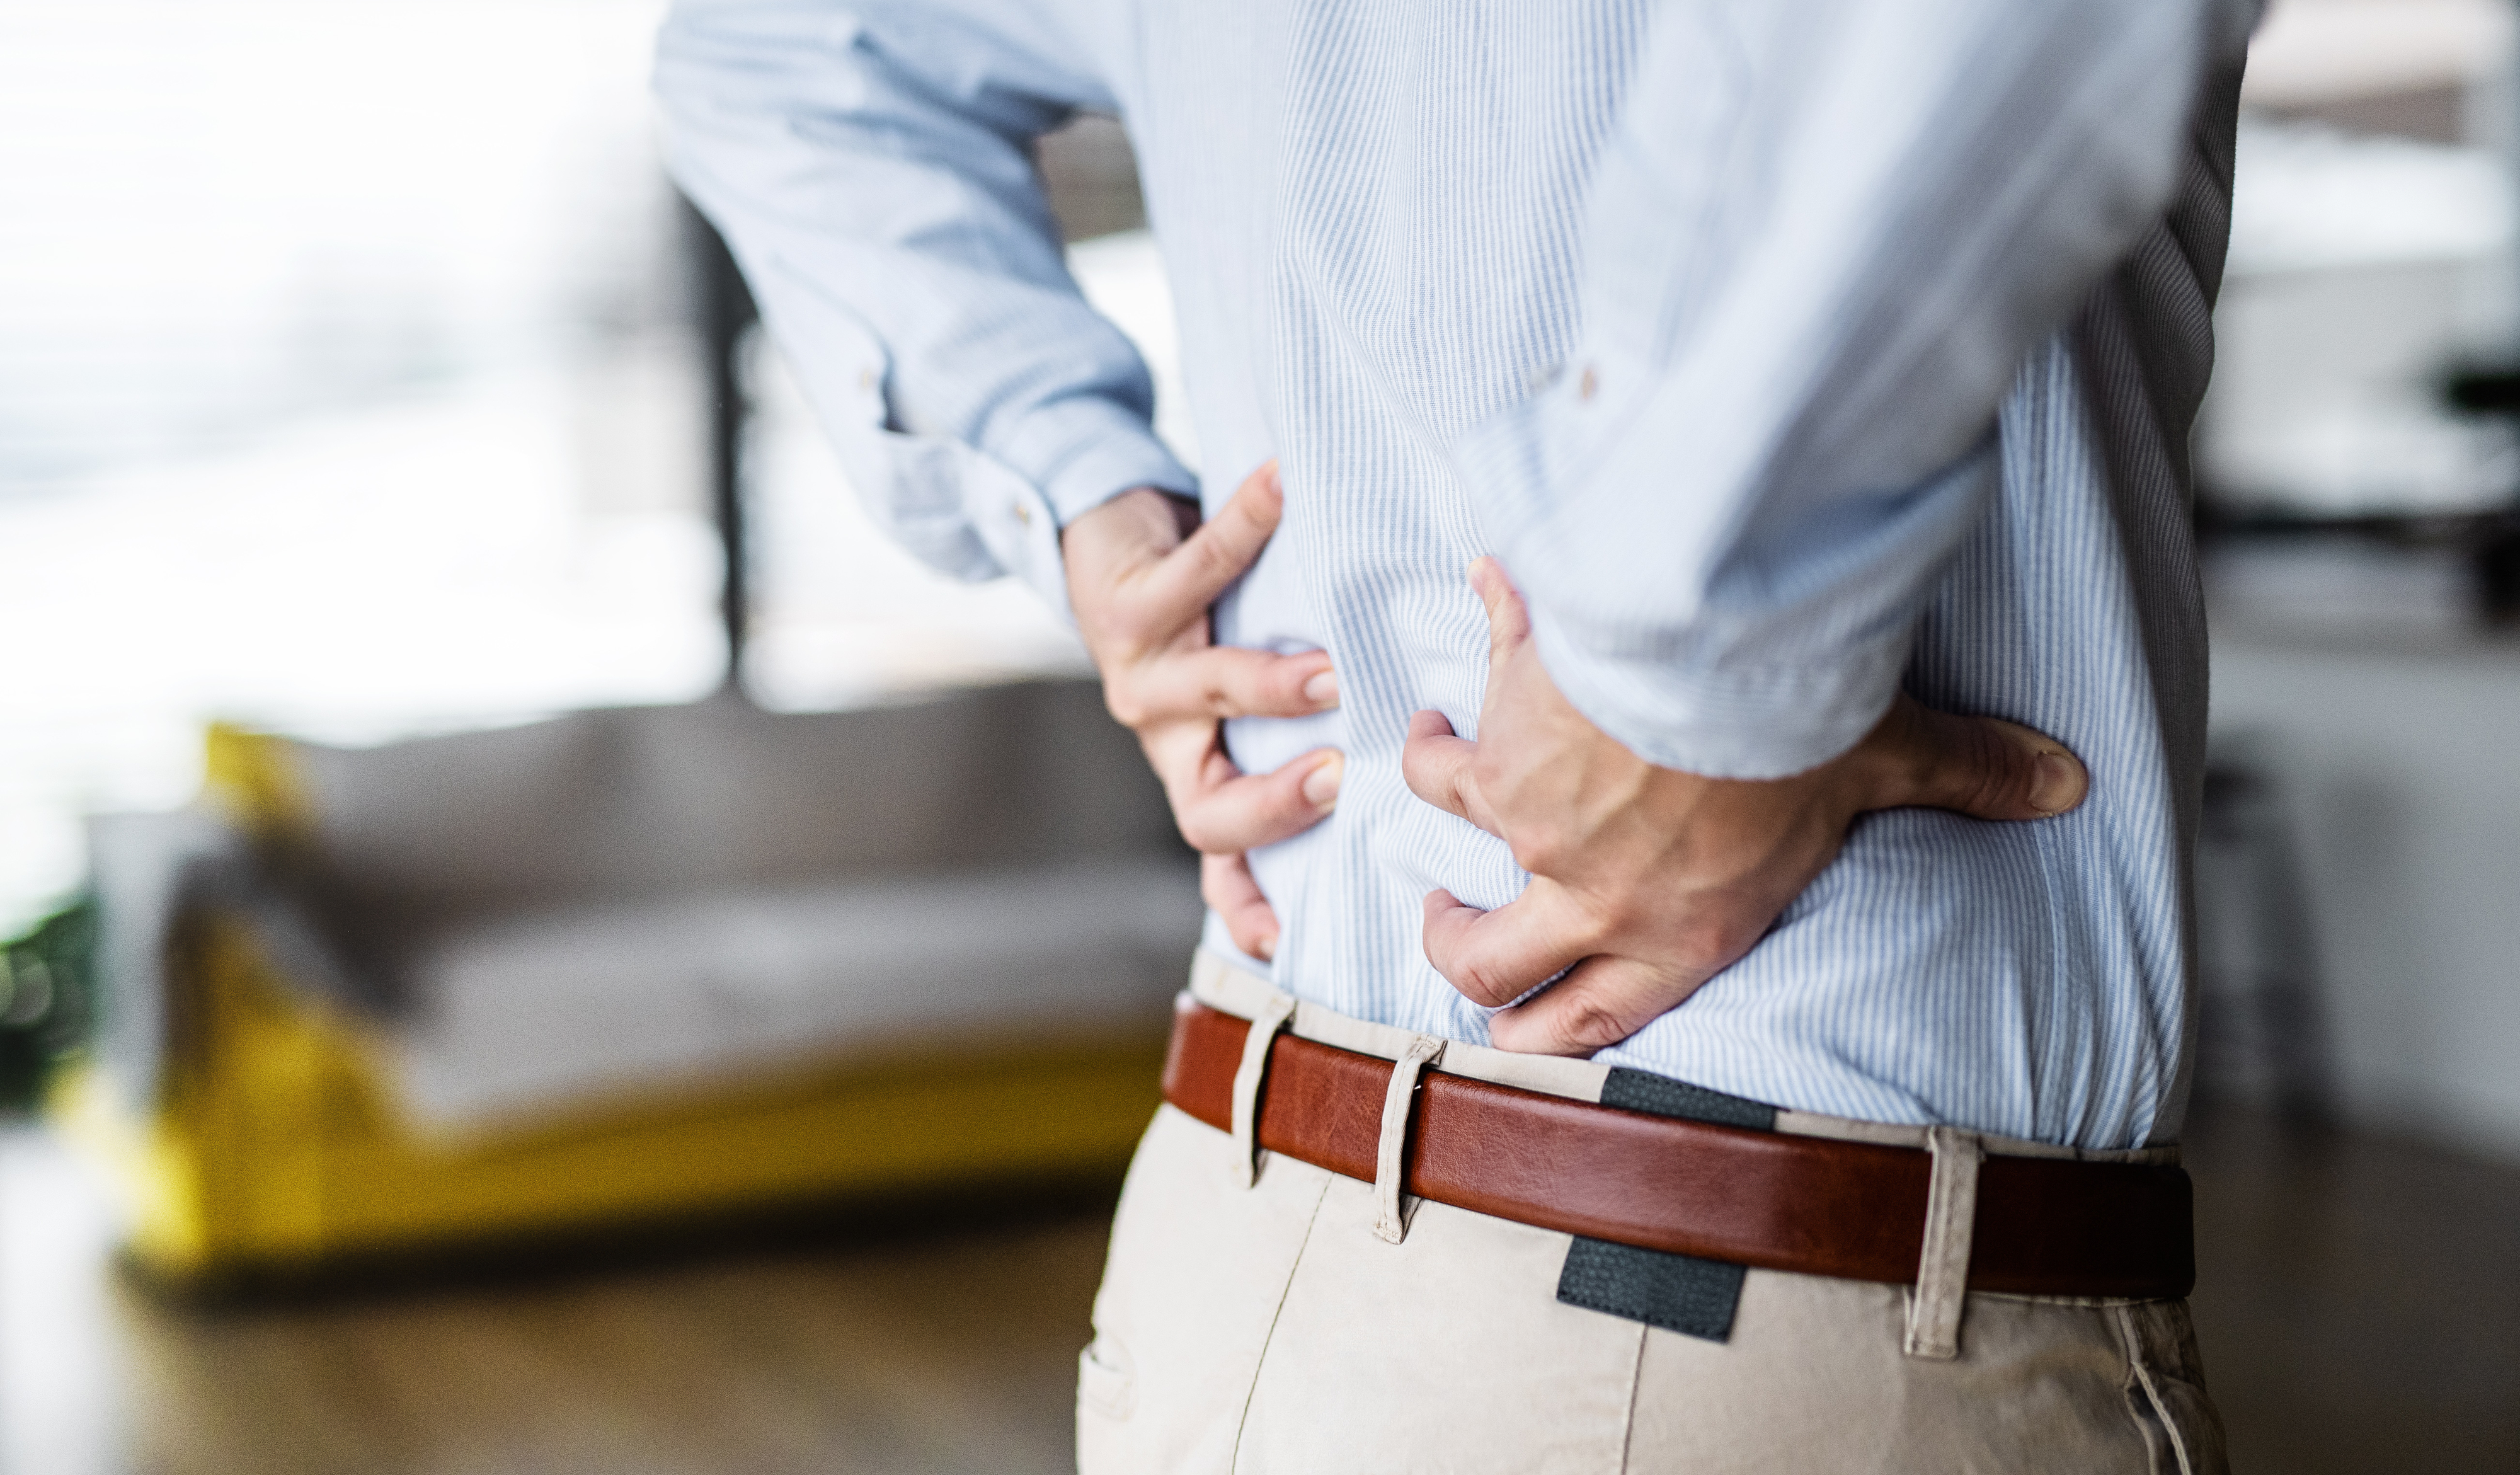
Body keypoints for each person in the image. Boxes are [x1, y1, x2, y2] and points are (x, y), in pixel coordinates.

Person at [657, 0, 2257, 1467]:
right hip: (1708, 1301)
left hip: (1238, 1240)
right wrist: (1675, 681)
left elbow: (777, 47)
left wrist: (1067, 481)